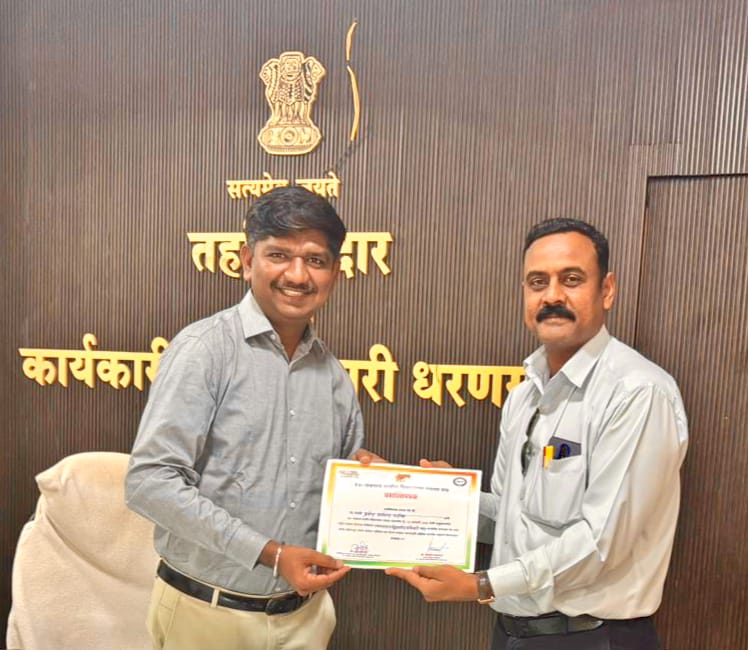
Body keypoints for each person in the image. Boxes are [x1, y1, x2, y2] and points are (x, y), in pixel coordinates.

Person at [387, 218, 688, 649]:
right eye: (537, 282)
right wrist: (414, 492)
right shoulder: (524, 396)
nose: (552, 296)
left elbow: (600, 544)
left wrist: (481, 585)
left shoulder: (637, 392)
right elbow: (510, 517)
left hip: (592, 638)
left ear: (606, 290)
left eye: (571, 279)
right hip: (514, 633)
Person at [125, 186, 381, 650]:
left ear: (336, 272)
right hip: (208, 616)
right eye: (279, 255)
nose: (297, 275)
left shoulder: (334, 375)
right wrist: (270, 554)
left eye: (316, 260)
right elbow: (150, 483)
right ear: (247, 260)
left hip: (305, 618)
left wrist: (377, 484)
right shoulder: (205, 350)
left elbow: (340, 485)